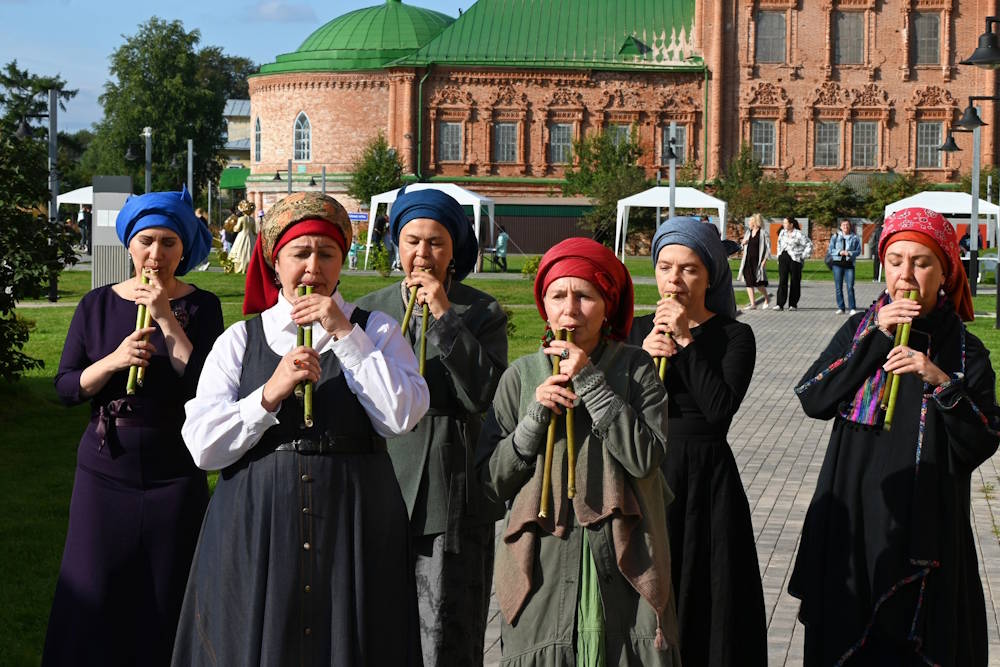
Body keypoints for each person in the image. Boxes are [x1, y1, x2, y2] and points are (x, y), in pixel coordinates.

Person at [173, 192, 428, 666]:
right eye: (300, 253)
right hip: (257, 524)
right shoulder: (241, 339)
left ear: (342, 261)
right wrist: (269, 392)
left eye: (326, 253)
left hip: (355, 522)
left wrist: (346, 337)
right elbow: (203, 447)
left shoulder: (379, 332)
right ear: (275, 264)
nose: (313, 267)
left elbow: (400, 417)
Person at [790, 207, 999, 666]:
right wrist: (874, 343)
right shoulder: (861, 330)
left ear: (944, 271)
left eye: (922, 263)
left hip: (927, 526)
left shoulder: (965, 350)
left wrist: (941, 381)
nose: (906, 275)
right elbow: (813, 398)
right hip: (854, 517)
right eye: (895, 261)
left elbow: (982, 440)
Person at [479, 237, 681, 666]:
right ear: (544, 305)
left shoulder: (636, 368)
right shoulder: (520, 376)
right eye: (557, 295)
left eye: (584, 296)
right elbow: (492, 483)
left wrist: (590, 382)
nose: (569, 310)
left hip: (622, 550)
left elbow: (646, 459)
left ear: (607, 304)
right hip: (547, 557)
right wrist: (533, 418)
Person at [43, 188, 221, 667]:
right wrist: (114, 361)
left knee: (169, 584)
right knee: (95, 581)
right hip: (107, 464)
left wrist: (165, 317)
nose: (155, 254)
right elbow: (65, 387)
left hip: (174, 466)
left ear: (183, 248)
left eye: (168, 242)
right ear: (129, 246)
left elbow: (206, 384)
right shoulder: (97, 304)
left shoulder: (202, 307)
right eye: (146, 241)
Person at [356, 187, 508, 667]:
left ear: (455, 249)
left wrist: (444, 315)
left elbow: (484, 394)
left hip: (451, 479)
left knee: (444, 621)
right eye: (412, 241)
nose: (422, 254)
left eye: (436, 242)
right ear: (396, 245)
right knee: (375, 615)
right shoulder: (366, 309)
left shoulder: (481, 312)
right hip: (378, 476)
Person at [629, 217, 767, 667]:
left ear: (710, 275)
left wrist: (687, 341)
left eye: (688, 268)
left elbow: (719, 411)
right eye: (665, 266)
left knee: (705, 587)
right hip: (646, 468)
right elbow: (619, 410)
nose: (674, 279)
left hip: (705, 476)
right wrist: (643, 361)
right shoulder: (636, 331)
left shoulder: (733, 336)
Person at [775, 217, 812, 311]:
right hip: (784, 257)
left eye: (785, 223)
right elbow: (778, 244)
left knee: (795, 281)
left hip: (795, 259)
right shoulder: (782, 233)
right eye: (783, 223)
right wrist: (779, 255)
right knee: (782, 280)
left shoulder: (798, 234)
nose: (783, 224)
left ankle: (793, 304)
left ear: (791, 224)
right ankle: (780, 304)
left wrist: (803, 256)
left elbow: (809, 244)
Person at [827, 219, 861, 314]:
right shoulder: (835, 236)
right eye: (843, 225)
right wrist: (839, 252)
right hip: (837, 264)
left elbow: (858, 251)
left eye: (847, 225)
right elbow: (830, 249)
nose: (845, 226)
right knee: (838, 287)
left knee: (850, 287)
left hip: (849, 265)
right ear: (840, 226)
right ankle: (841, 307)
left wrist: (849, 253)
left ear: (850, 226)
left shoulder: (855, 237)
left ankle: (852, 308)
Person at [738, 213, 771, 309]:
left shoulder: (763, 233)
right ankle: (753, 304)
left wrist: (764, 260)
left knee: (758, 284)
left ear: (755, 222)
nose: (748, 223)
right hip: (747, 260)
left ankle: (766, 298)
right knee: (748, 282)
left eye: (750, 221)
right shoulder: (748, 232)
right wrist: (743, 243)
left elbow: (768, 248)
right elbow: (742, 246)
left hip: (758, 261)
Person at [227, 199, 256, 273]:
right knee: (250, 251)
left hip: (242, 236)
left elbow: (237, 229)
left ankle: (240, 267)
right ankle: (250, 267)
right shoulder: (252, 220)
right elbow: (254, 231)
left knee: (240, 251)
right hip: (251, 236)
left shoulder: (241, 219)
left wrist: (233, 227)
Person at [869, 216, 883, 282]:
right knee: (877, 263)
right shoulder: (880, 230)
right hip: (879, 248)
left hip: (877, 248)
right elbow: (873, 240)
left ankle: (876, 277)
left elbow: (872, 241)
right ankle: (876, 277)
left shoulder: (877, 230)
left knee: (876, 264)